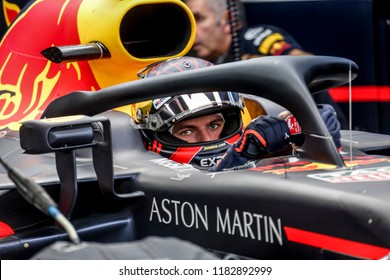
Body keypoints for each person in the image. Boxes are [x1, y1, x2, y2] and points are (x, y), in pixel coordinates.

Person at [130, 56, 341, 172]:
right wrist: (240, 157)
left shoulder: (246, 148)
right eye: (186, 131)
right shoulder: (139, 172)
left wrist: (308, 132)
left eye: (214, 125)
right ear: (151, 134)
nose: (208, 139)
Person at [183, 0, 348, 129]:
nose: (192, 29)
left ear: (228, 19)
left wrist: (260, 67)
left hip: (326, 138)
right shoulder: (210, 61)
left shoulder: (256, 39)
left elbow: (309, 65)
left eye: (198, 19)